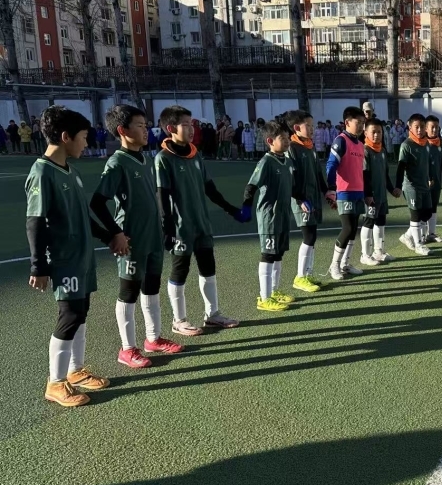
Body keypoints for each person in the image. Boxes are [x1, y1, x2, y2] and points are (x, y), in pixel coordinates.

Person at [25, 106, 122, 407]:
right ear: (66, 137)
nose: (86, 142)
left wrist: (109, 235)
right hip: (64, 258)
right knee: (68, 316)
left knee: (80, 313)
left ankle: (75, 370)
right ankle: (55, 383)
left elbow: (82, 216)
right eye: (83, 136)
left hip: (82, 256)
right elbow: (35, 221)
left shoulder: (71, 171)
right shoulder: (43, 172)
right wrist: (39, 265)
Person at [91, 104, 183, 370]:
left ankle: (153, 339)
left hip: (152, 237)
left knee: (151, 288)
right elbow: (97, 202)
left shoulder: (144, 159)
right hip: (132, 240)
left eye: (146, 125)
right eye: (140, 126)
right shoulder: (117, 162)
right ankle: (127, 349)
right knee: (128, 292)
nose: (146, 130)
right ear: (122, 130)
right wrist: (116, 233)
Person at [156, 105, 248, 336]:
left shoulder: (195, 154)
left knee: (208, 268)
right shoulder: (163, 159)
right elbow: (162, 196)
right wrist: (167, 228)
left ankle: (212, 315)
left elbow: (210, 189)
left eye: (192, 124)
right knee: (180, 270)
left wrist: (231, 210)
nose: (191, 129)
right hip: (181, 228)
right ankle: (179, 320)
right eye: (185, 125)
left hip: (201, 224)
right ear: (171, 128)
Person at [243, 120, 296, 312]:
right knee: (268, 254)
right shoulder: (266, 162)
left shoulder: (287, 161)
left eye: (288, 137)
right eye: (283, 138)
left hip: (283, 215)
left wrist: (302, 199)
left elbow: (292, 187)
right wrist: (246, 208)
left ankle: (274, 291)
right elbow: (251, 187)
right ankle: (264, 298)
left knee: (279, 253)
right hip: (269, 216)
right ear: (270, 141)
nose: (287, 141)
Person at [283, 111, 327, 292]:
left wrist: (327, 191)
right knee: (308, 236)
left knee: (313, 236)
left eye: (312, 125)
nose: (312, 129)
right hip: (302, 200)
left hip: (314, 198)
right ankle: (300, 277)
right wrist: (300, 198)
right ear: (296, 128)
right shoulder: (292, 148)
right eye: (308, 126)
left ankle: (308, 274)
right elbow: (290, 177)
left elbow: (318, 172)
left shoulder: (310, 146)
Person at [325, 106, 370, 279]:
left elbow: (363, 171)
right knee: (347, 228)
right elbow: (331, 164)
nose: (361, 126)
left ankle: (345, 263)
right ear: (347, 122)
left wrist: (367, 193)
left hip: (358, 192)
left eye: (363, 123)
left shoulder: (360, 144)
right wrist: (331, 188)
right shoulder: (341, 141)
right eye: (358, 123)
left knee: (353, 230)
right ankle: (334, 265)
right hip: (344, 192)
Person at [359, 116, 400, 265]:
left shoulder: (382, 150)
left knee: (381, 222)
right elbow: (364, 175)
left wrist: (392, 189)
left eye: (379, 132)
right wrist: (368, 194)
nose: (377, 135)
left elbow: (385, 174)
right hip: (371, 196)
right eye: (373, 132)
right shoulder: (365, 151)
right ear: (366, 133)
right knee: (368, 222)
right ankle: (365, 254)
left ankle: (379, 252)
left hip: (382, 195)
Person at [396, 114, 433, 256]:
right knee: (416, 215)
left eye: (422, 127)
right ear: (410, 127)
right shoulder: (406, 145)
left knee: (427, 213)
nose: (419, 130)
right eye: (416, 127)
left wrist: (430, 177)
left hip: (424, 185)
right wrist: (398, 186)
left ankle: (407, 236)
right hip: (411, 186)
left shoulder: (426, 143)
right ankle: (419, 245)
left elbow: (427, 163)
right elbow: (401, 167)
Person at [425, 115, 442, 243]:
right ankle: (416, 235)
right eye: (432, 127)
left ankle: (431, 233)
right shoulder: (422, 143)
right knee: (423, 208)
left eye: (436, 127)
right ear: (426, 128)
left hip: (437, 181)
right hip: (424, 183)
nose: (434, 129)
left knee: (434, 206)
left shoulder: (441, 143)